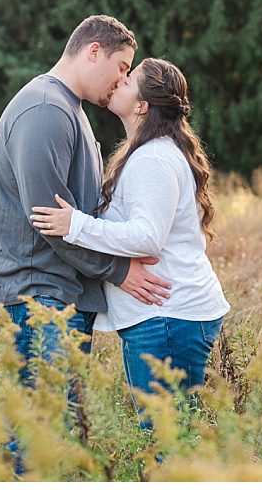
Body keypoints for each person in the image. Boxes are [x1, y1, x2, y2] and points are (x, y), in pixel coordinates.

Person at [0, 15, 173, 469]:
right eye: (122, 66)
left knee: (50, 439)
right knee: (34, 440)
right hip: (35, 301)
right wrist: (118, 272)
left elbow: (80, 215)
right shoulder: (44, 110)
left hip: (57, 300)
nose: (124, 79)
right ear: (93, 52)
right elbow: (50, 220)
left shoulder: (70, 111)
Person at [30, 57, 230, 428]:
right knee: (168, 435)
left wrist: (76, 225)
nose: (119, 79)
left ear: (142, 105)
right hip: (163, 312)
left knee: (164, 440)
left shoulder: (153, 158)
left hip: (168, 314)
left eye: (128, 78)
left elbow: (147, 238)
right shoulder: (145, 153)